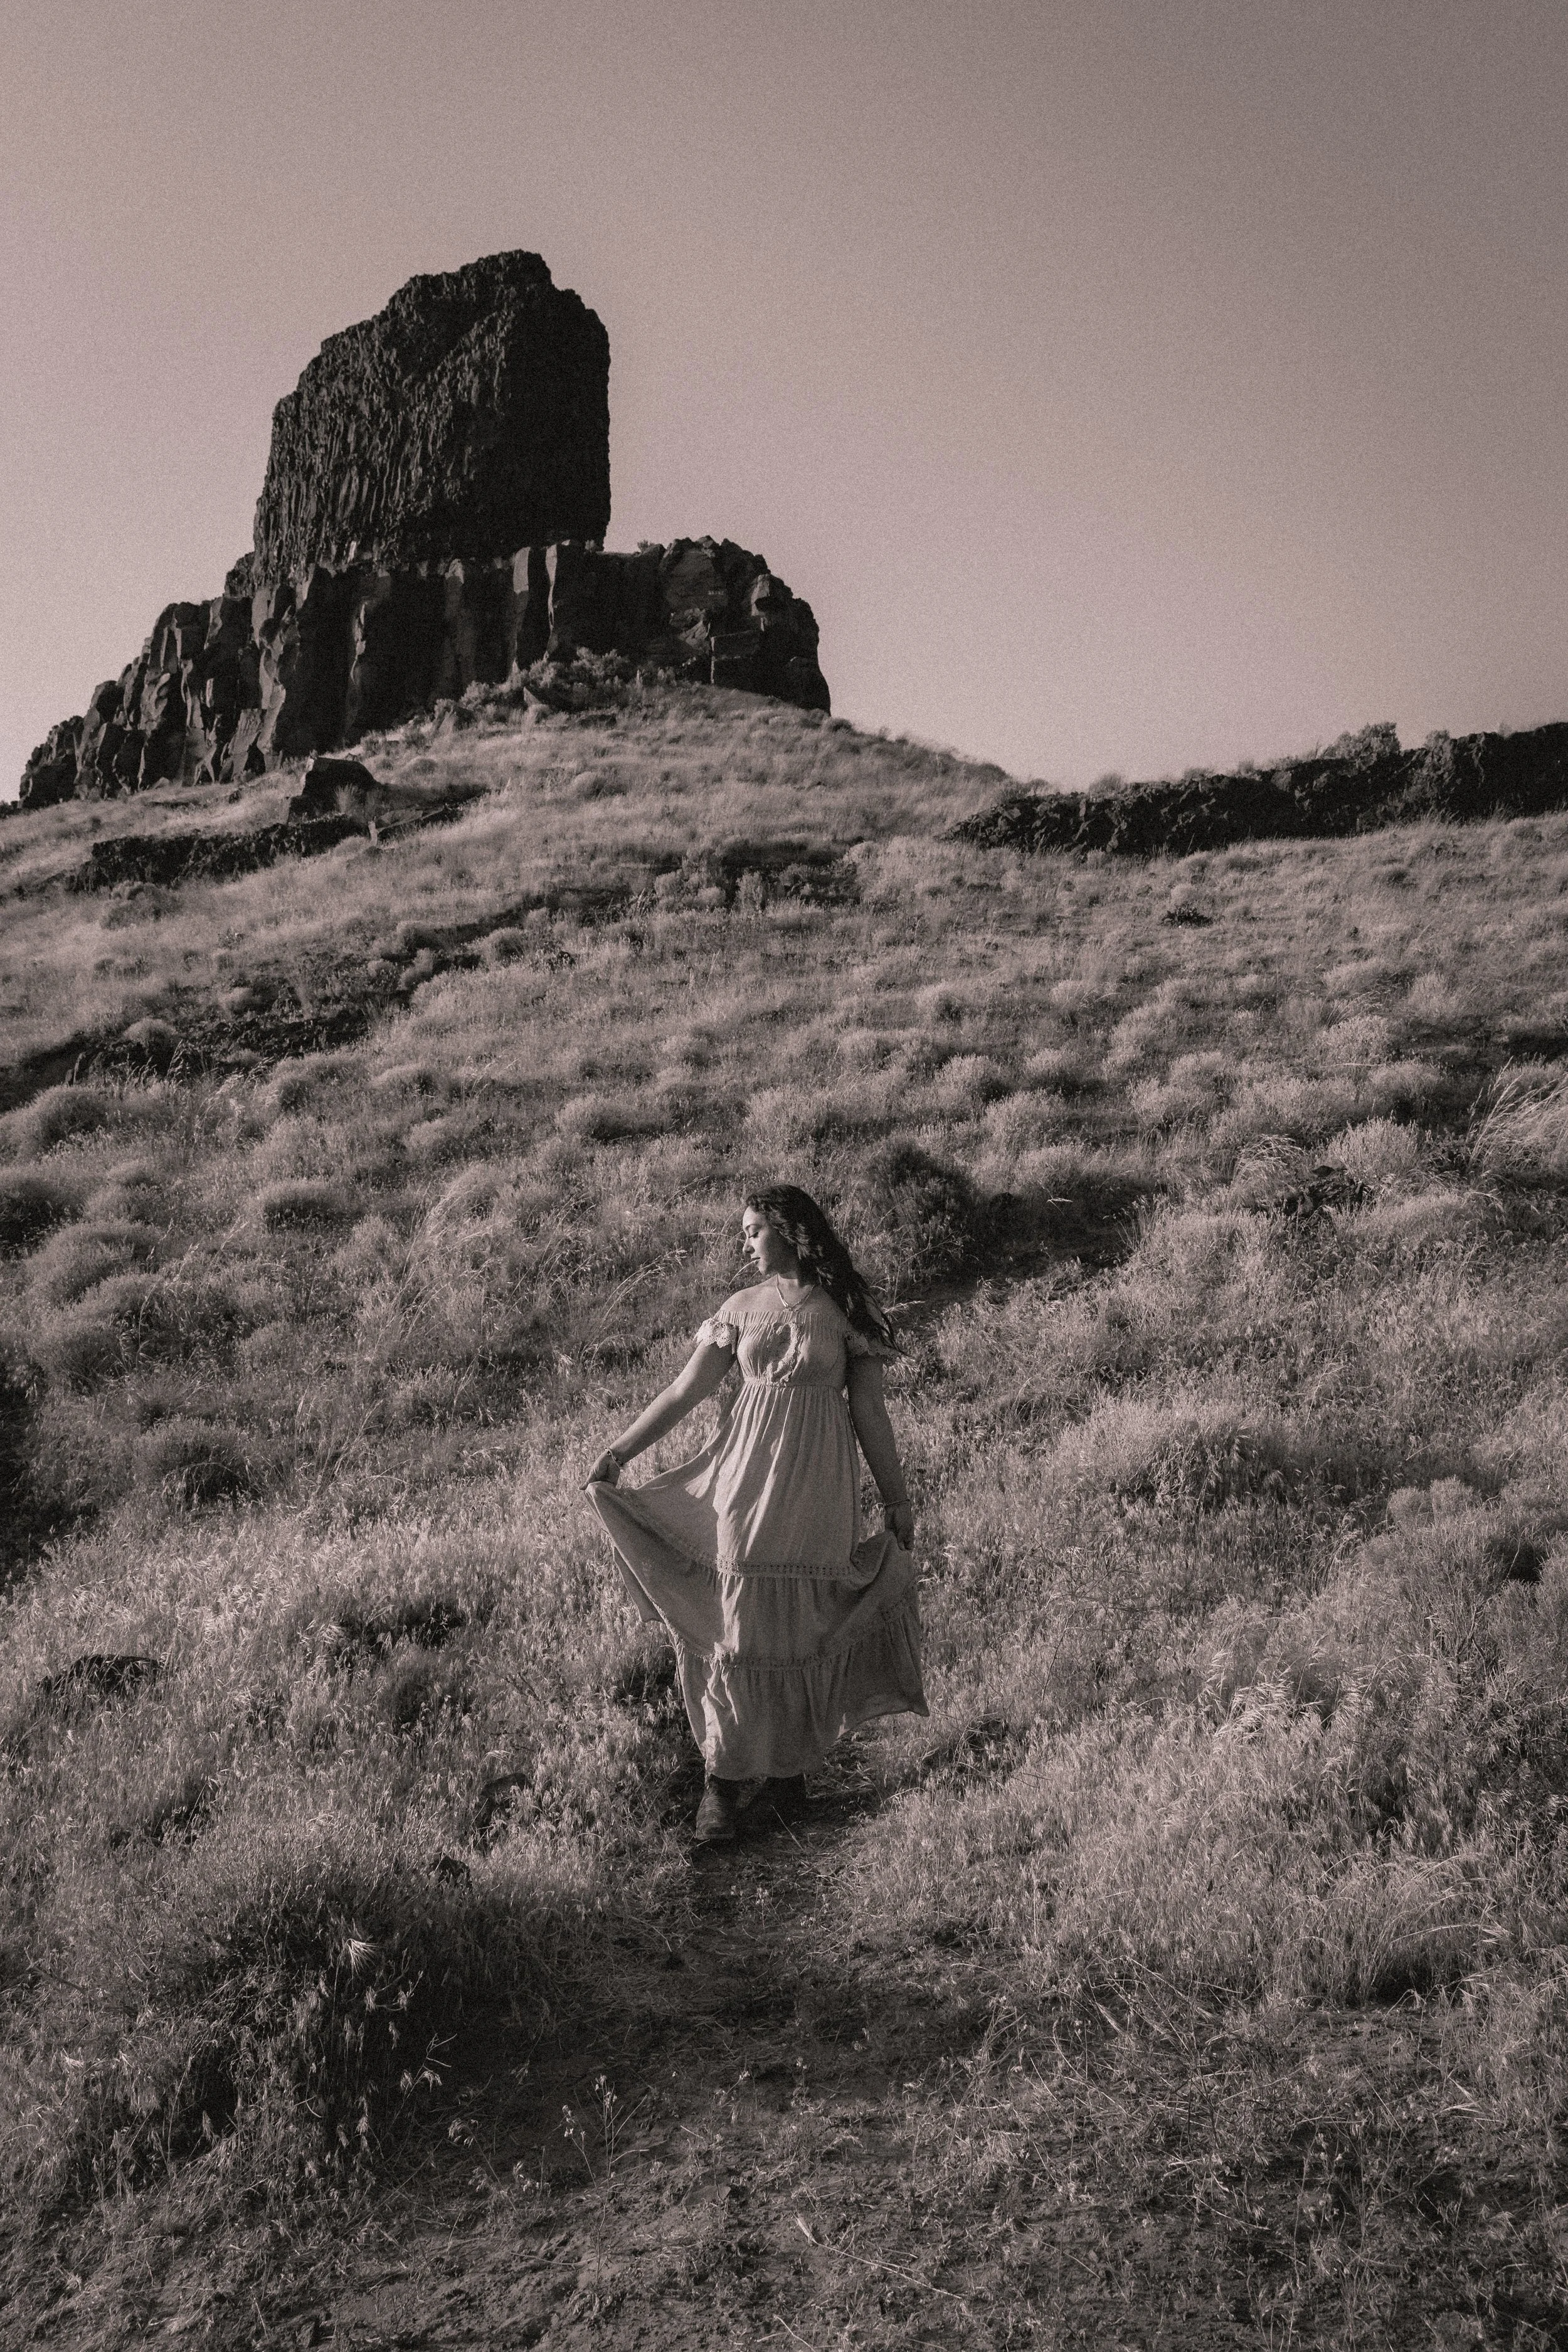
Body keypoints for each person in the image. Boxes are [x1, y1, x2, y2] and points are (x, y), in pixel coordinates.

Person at [585, 1184, 928, 1844]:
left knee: (800, 1624)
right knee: (738, 1625)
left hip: (818, 1487)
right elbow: (686, 1390)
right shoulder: (740, 1309)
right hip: (743, 1480)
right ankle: (725, 1777)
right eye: (745, 1233)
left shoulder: (845, 1310)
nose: (745, 1245)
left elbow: (871, 1414)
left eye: (753, 1231)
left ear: (792, 1231)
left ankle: (789, 1777)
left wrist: (896, 1498)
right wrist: (619, 1451)